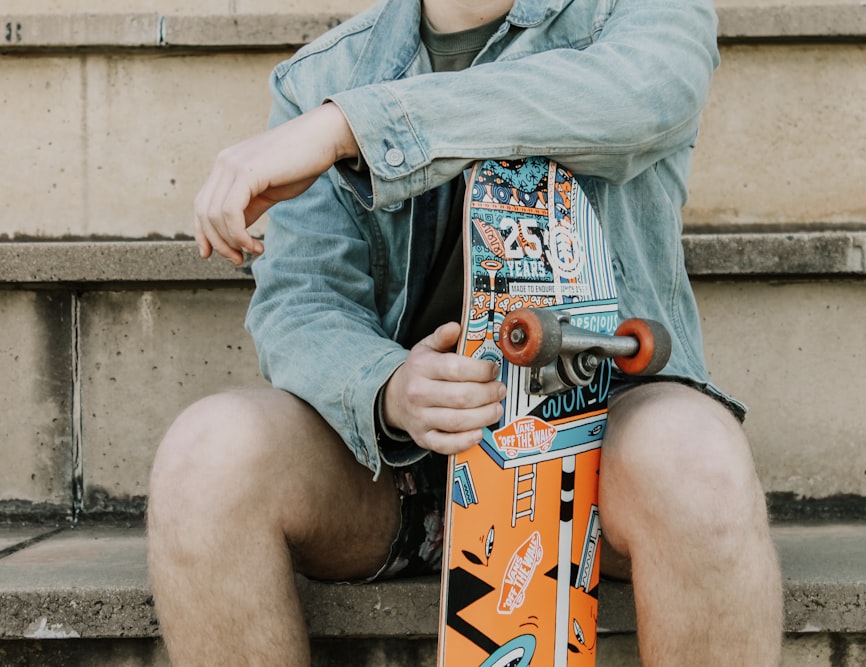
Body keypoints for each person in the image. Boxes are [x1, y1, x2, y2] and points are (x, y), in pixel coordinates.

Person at [146, 0, 783, 664]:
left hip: (600, 449)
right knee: (205, 458)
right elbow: (303, 304)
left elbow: (636, 100)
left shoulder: (646, 15)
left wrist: (350, 129)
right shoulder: (321, 77)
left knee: (696, 459)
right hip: (400, 474)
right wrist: (387, 387)